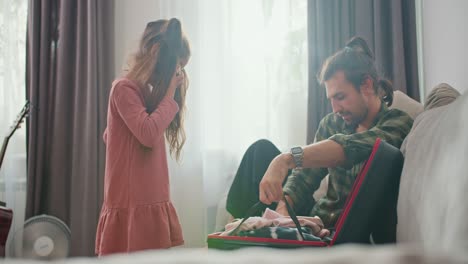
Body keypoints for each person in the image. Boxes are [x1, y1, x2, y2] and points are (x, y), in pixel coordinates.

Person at [226, 36, 413, 230]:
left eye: (340, 97)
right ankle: (231, 239)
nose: (335, 109)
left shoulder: (398, 122)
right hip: (316, 218)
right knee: (260, 150)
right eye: (331, 99)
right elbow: (304, 177)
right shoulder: (331, 124)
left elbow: (353, 147)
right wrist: (283, 212)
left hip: (347, 231)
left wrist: (285, 159)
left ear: (366, 84)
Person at [95, 18, 191, 255]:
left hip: (152, 196)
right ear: (157, 55)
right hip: (132, 202)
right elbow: (147, 135)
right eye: (177, 68)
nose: (178, 76)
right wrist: (169, 94)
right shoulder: (124, 88)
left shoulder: (145, 95)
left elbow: (112, 136)